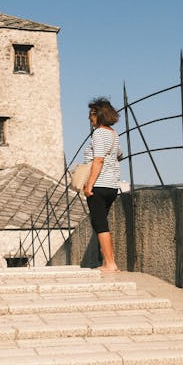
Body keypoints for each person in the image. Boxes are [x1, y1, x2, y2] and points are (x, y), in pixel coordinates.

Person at [83, 97, 123, 272]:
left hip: (99, 184)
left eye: (91, 114)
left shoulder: (98, 133)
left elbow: (98, 160)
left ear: (98, 115)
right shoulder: (114, 134)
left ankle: (110, 263)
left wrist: (89, 185)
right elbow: (119, 154)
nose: (89, 118)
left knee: (99, 223)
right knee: (101, 222)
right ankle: (109, 261)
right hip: (112, 185)